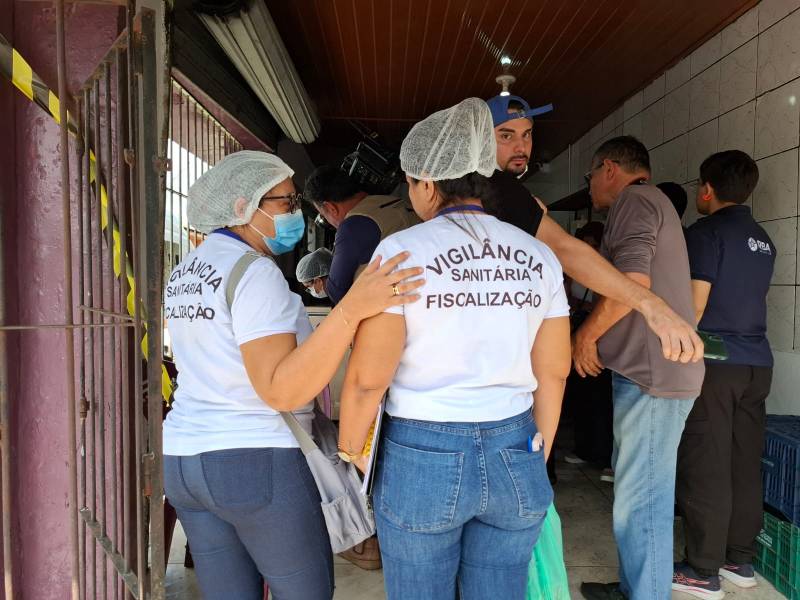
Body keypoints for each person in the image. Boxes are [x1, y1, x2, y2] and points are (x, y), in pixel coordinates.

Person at [337, 98, 572, 599]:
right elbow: (553, 372)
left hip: (421, 453)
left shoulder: (402, 252)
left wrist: (356, 451)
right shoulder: (539, 256)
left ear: (426, 183)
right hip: (516, 446)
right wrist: (540, 449)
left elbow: (367, 379)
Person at [162, 151, 423, 600]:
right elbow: (281, 390)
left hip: (184, 458)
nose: (296, 213)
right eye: (285, 202)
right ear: (245, 206)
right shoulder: (253, 272)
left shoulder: (187, 271)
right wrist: (353, 308)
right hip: (253, 461)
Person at [573, 136, 705, 600]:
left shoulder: (635, 199)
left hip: (653, 377)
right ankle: (636, 587)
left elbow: (632, 283)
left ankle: (645, 594)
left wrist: (585, 335)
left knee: (641, 502)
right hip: (655, 373)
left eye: (590, 175)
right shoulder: (653, 203)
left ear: (609, 168)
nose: (589, 186)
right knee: (640, 494)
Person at [484, 94, 704, 366]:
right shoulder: (491, 188)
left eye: (527, 135)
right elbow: (566, 249)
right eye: (506, 136)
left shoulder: (506, 192)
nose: (521, 146)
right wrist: (652, 306)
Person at [672, 151, 774, 600]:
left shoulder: (706, 232)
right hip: (758, 364)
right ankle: (739, 559)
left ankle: (702, 569)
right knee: (743, 464)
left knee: (706, 464)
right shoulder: (763, 239)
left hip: (716, 364)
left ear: (707, 189)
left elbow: (694, 306)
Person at [305, 165, 420, 304]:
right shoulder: (396, 202)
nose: (328, 221)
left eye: (324, 215)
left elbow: (337, 291)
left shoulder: (353, 226)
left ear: (330, 207)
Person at [562, 222, 614, 483]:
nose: (588, 249)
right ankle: (584, 449)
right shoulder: (575, 268)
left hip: (599, 338)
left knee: (602, 398)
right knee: (581, 392)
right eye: (584, 243)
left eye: (593, 244)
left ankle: (606, 458)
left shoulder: (607, 270)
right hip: (577, 332)